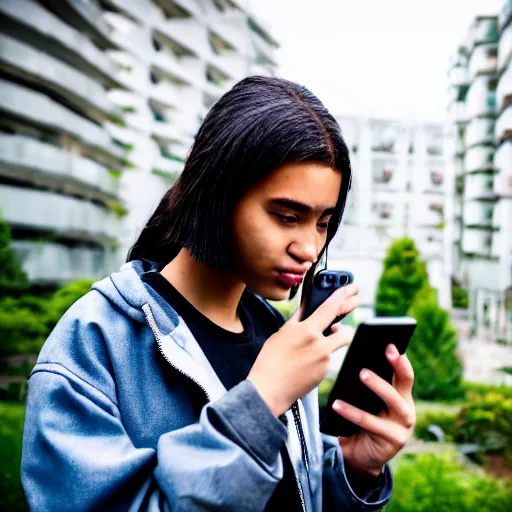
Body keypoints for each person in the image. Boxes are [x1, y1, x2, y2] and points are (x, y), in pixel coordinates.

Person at [21, 76, 416, 511]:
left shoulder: (277, 333)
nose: (309, 248)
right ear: (216, 192)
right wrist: (259, 403)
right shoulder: (96, 341)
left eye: (323, 222)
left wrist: (354, 467)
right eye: (286, 216)